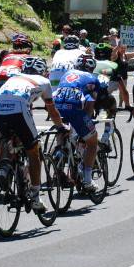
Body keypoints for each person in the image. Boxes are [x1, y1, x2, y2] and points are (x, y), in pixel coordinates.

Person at [0, 56, 64, 211]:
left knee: (8, 139)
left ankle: (5, 168)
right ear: (43, 71)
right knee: (34, 150)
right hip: (19, 111)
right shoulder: (44, 82)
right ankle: (36, 197)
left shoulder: (12, 78)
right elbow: (51, 110)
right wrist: (60, 126)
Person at [52, 54, 106, 192]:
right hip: (74, 107)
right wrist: (87, 126)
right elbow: (90, 106)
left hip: (56, 104)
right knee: (92, 142)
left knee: (63, 129)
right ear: (92, 67)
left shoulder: (67, 73)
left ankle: (60, 150)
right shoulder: (94, 79)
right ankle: (87, 180)